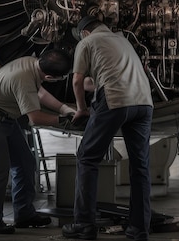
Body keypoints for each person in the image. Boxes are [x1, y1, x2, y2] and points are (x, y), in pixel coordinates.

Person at [62, 16, 154, 241]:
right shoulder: (123, 41)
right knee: (140, 166)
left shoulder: (87, 42)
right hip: (144, 102)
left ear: (84, 33)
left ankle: (84, 224)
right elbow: (100, 78)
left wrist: (82, 109)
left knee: (87, 157)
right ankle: (139, 229)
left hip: (115, 100)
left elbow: (77, 81)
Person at [0, 48, 77, 235]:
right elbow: (35, 119)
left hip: (5, 119)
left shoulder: (30, 62)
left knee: (25, 163)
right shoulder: (24, 80)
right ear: (51, 77)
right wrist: (62, 120)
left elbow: (40, 93)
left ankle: (24, 214)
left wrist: (64, 109)